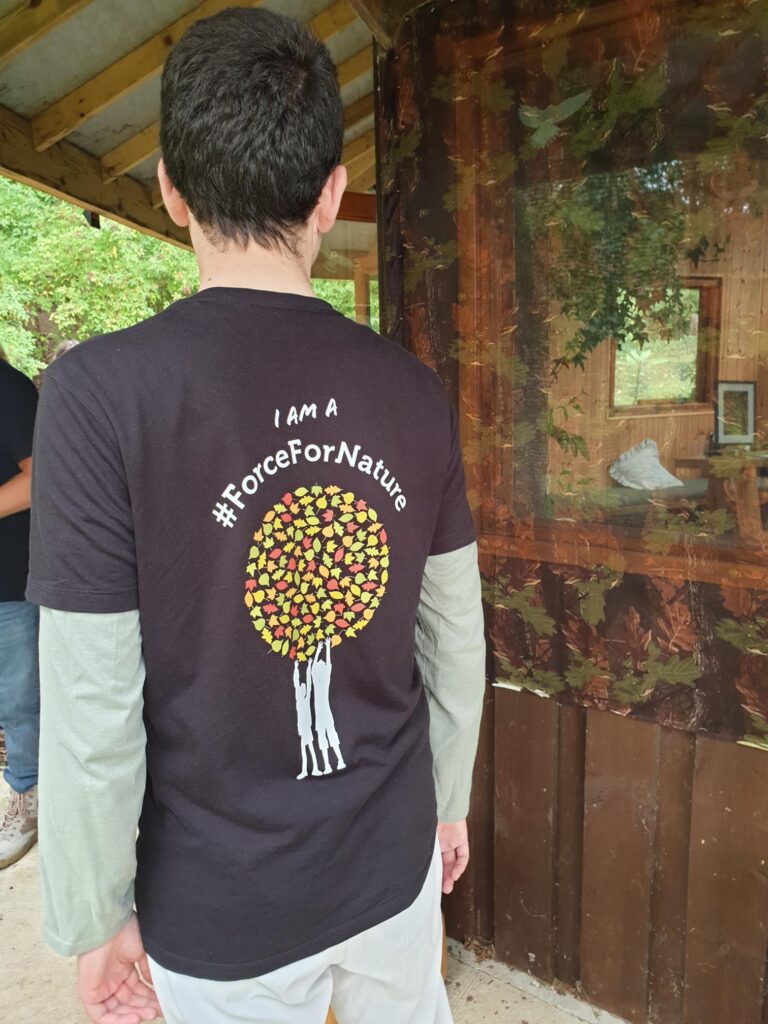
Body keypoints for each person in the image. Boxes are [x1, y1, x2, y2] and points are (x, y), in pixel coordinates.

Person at [26, 8, 486, 1024]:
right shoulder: (413, 392)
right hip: (389, 866)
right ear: (330, 197)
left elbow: (92, 703)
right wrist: (447, 799)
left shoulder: (98, 396)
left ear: (170, 190)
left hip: (215, 907)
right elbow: (456, 638)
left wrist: (94, 918)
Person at [0, 352, 39, 869]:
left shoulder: (7, 388)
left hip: (9, 583)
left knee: (20, 702)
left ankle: (29, 799)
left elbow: (39, 478)